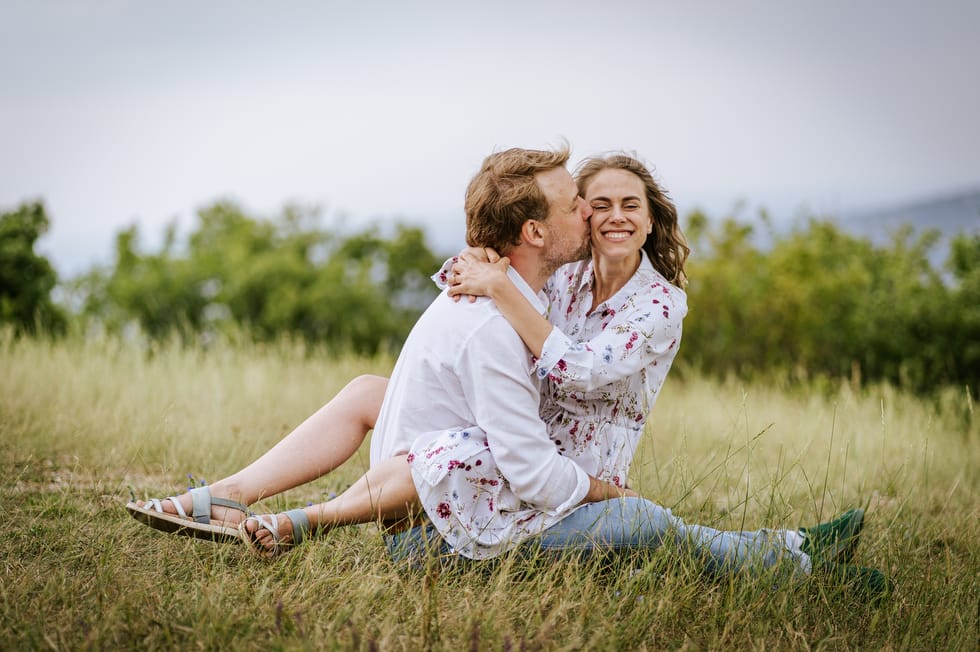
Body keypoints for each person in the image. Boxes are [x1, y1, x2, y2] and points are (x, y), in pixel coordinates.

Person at [127, 146, 887, 596]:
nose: (608, 217)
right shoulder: (558, 280)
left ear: (653, 217)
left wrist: (496, 285)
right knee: (375, 394)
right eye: (592, 205)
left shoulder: (660, 307)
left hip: (567, 464)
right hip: (523, 465)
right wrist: (479, 268)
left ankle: (792, 556)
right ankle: (221, 497)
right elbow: (490, 280)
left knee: (640, 521)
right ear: (570, 221)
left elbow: (584, 372)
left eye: (629, 204)